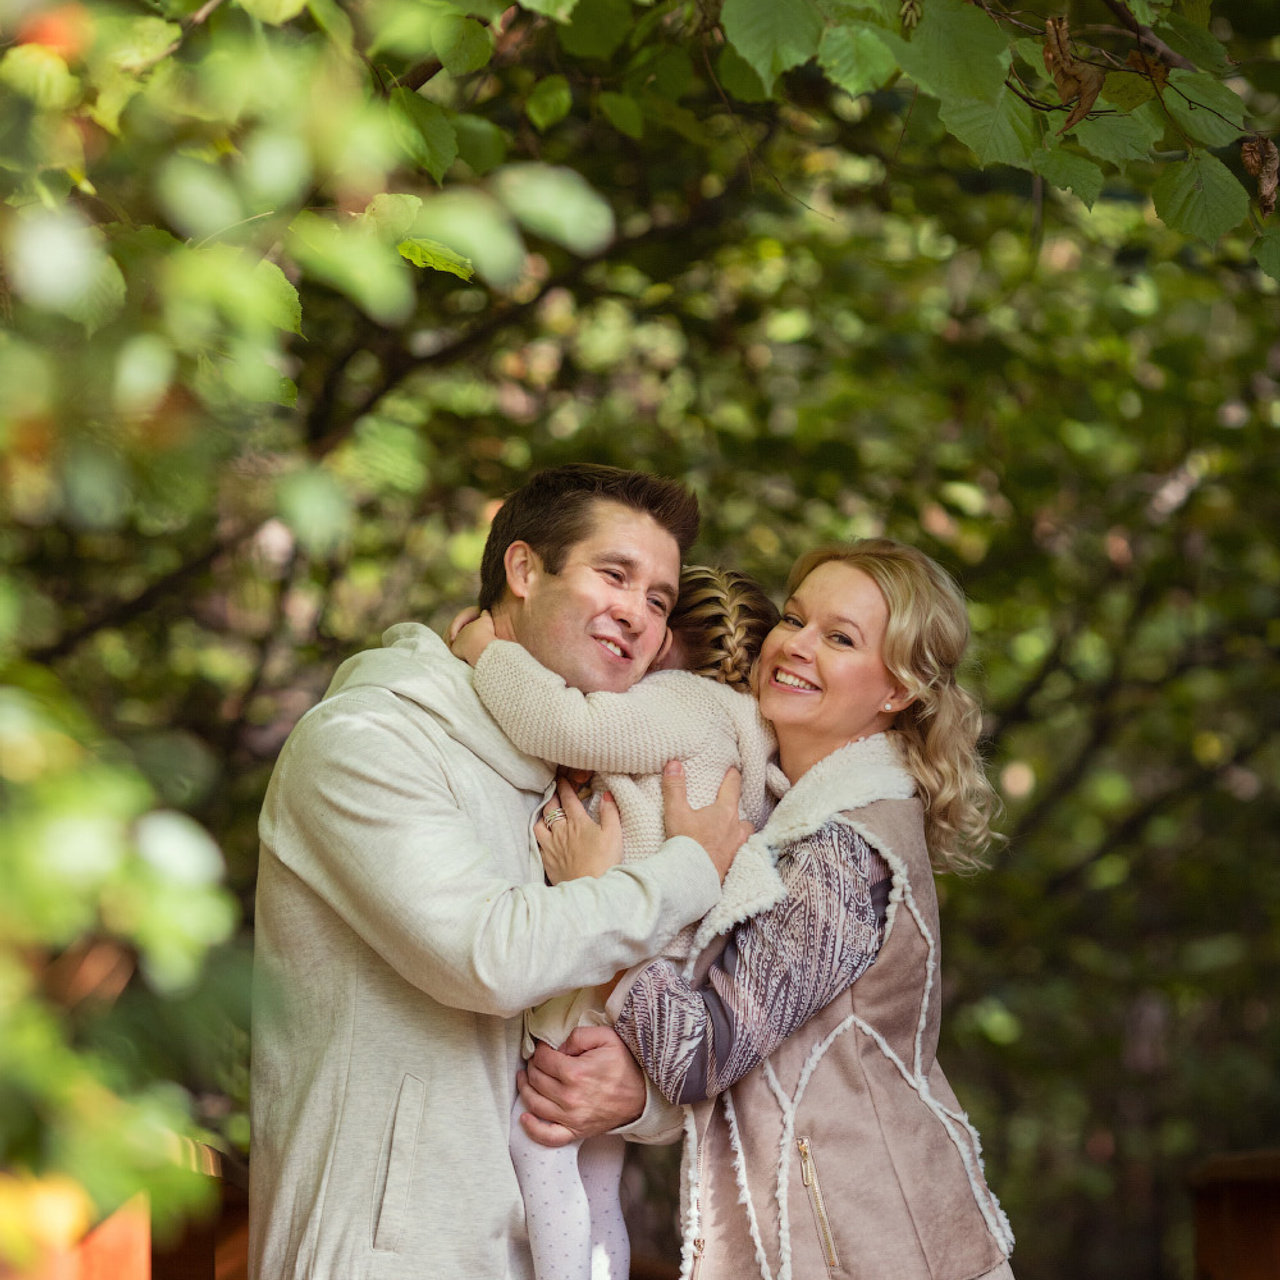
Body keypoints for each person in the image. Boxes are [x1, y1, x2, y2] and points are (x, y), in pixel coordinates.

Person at [247, 465, 753, 1280]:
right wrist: (692, 869)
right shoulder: (368, 740)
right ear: (523, 571)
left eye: (659, 600)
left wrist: (637, 1097)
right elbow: (488, 956)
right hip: (385, 1258)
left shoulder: (590, 780)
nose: (638, 614)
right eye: (613, 574)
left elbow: (637, 1002)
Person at [541, 539, 1017, 1280]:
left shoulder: (846, 848)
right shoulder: (785, 813)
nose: (794, 646)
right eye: (794, 619)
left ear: (897, 691)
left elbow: (699, 1055)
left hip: (868, 1246)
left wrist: (599, 901)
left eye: (840, 638)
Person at [450, 565, 782, 1280]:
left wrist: (486, 651)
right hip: (657, 984)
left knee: (536, 1141)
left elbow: (564, 721)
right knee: (598, 1177)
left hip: (610, 962)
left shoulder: (677, 705)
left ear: (667, 641)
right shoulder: (751, 742)